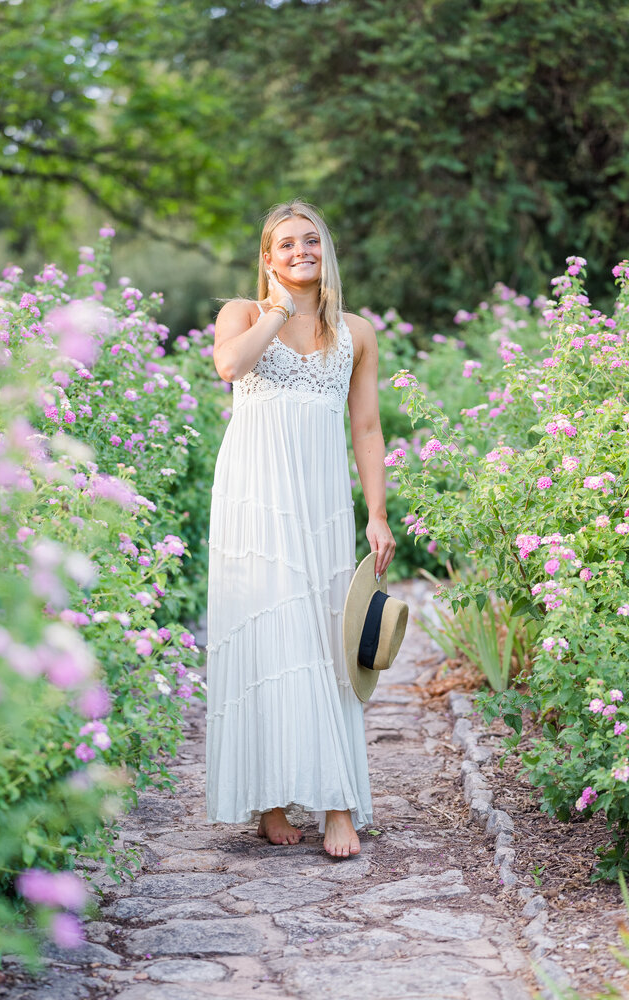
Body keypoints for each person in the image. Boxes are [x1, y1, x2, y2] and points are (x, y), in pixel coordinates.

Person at [205, 200, 395, 858]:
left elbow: (365, 428)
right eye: (285, 245)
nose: (300, 252)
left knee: (322, 633)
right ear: (267, 257)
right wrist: (280, 306)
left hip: (317, 498)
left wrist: (377, 512)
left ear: (326, 248)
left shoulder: (357, 331)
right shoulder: (245, 314)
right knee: (265, 626)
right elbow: (229, 367)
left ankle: (339, 801)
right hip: (253, 496)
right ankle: (270, 800)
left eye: (310, 241)